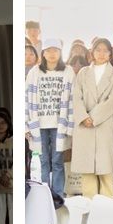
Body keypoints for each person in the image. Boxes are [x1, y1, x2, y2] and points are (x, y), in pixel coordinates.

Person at [70, 38, 113, 199]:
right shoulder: (83, 72)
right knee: (87, 168)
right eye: (98, 50)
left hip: (104, 122)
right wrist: (84, 117)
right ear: (92, 52)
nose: (101, 53)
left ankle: (107, 202)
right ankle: (89, 202)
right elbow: (76, 97)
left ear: (110, 54)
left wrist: (93, 117)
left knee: (105, 165)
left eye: (105, 50)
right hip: (84, 124)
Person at [27, 39, 74, 196]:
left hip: (59, 124)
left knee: (57, 161)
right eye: (48, 50)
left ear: (60, 53)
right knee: (43, 161)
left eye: (55, 50)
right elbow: (26, 98)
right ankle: (45, 195)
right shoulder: (34, 72)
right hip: (38, 124)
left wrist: (70, 125)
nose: (52, 54)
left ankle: (58, 195)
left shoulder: (68, 71)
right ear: (43, 53)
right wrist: (25, 126)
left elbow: (73, 98)